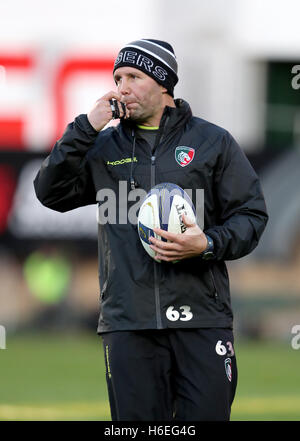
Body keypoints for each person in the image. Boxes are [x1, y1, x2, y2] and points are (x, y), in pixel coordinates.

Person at [34, 39, 268, 421]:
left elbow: (252, 215)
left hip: (201, 319)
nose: (121, 86)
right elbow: (49, 192)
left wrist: (206, 243)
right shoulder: (102, 146)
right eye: (118, 77)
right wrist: (84, 127)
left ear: (164, 84)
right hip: (128, 323)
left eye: (134, 76)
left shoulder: (213, 142)